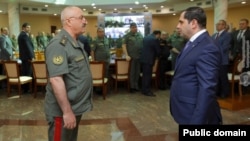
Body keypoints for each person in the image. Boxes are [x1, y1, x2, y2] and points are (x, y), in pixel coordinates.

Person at [44, 6, 93, 141]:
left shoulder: (75, 42)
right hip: (62, 111)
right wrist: (67, 112)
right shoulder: (58, 45)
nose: (85, 21)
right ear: (69, 21)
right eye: (81, 17)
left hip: (74, 107)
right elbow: (56, 80)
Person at [170, 6, 222, 124]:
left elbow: (207, 88)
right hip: (186, 111)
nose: (178, 26)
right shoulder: (193, 43)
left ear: (193, 23)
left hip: (195, 115)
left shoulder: (207, 47)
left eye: (181, 22)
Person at [212, 19, 231, 98]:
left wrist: (214, 51)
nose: (217, 25)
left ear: (224, 26)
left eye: (219, 24)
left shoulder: (227, 35)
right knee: (216, 77)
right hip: (214, 60)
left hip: (222, 60)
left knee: (223, 77)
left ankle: (225, 93)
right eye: (217, 24)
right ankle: (217, 92)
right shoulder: (213, 35)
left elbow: (225, 47)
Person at [122, 22, 144, 93]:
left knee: (137, 72)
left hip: (139, 56)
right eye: (133, 27)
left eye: (136, 27)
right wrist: (126, 55)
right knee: (132, 73)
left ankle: (136, 86)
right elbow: (124, 45)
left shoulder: (140, 35)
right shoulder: (127, 36)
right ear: (130, 28)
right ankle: (131, 87)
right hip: (131, 57)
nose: (135, 28)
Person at [140, 30, 161, 96]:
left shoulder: (146, 37)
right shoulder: (155, 39)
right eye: (159, 36)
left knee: (144, 76)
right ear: (157, 34)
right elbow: (158, 50)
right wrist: (160, 55)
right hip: (149, 60)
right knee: (148, 76)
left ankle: (143, 89)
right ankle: (147, 91)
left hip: (143, 59)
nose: (159, 37)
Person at [18, 23, 35, 93]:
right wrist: (32, 57)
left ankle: (25, 89)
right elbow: (28, 47)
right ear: (23, 28)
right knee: (27, 73)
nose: (29, 29)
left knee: (25, 73)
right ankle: (27, 89)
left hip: (24, 57)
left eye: (29, 27)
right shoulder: (24, 35)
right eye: (28, 27)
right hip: (27, 58)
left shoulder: (21, 35)